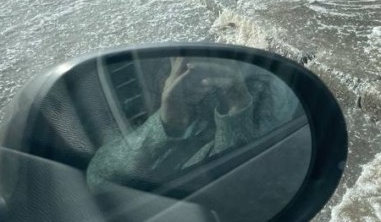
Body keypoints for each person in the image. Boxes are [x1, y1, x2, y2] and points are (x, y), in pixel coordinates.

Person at [86, 56, 301, 193]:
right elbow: (97, 179)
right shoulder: (156, 105)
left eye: (216, 58)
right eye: (185, 62)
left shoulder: (267, 86)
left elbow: (239, 180)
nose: (199, 70)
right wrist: (167, 122)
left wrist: (237, 105)